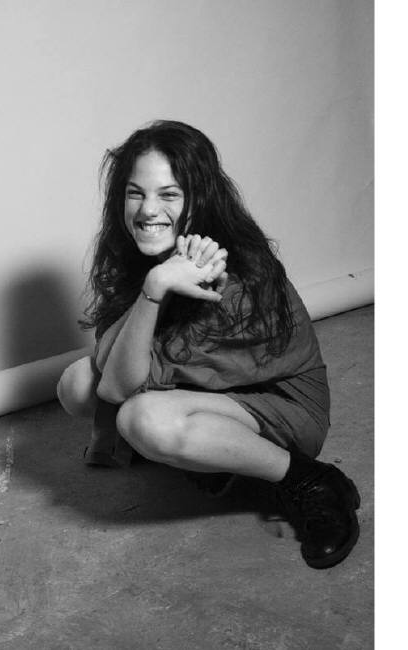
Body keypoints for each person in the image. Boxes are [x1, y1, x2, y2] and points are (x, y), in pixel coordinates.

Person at [57, 120, 360, 570]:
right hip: (206, 390)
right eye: (135, 193)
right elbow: (107, 367)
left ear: (199, 198)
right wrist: (157, 284)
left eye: (169, 194)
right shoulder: (149, 254)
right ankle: (212, 458)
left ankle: (311, 481)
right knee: (76, 383)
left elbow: (120, 389)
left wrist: (155, 288)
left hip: (280, 405)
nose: (147, 210)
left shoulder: (231, 274)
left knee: (143, 418)